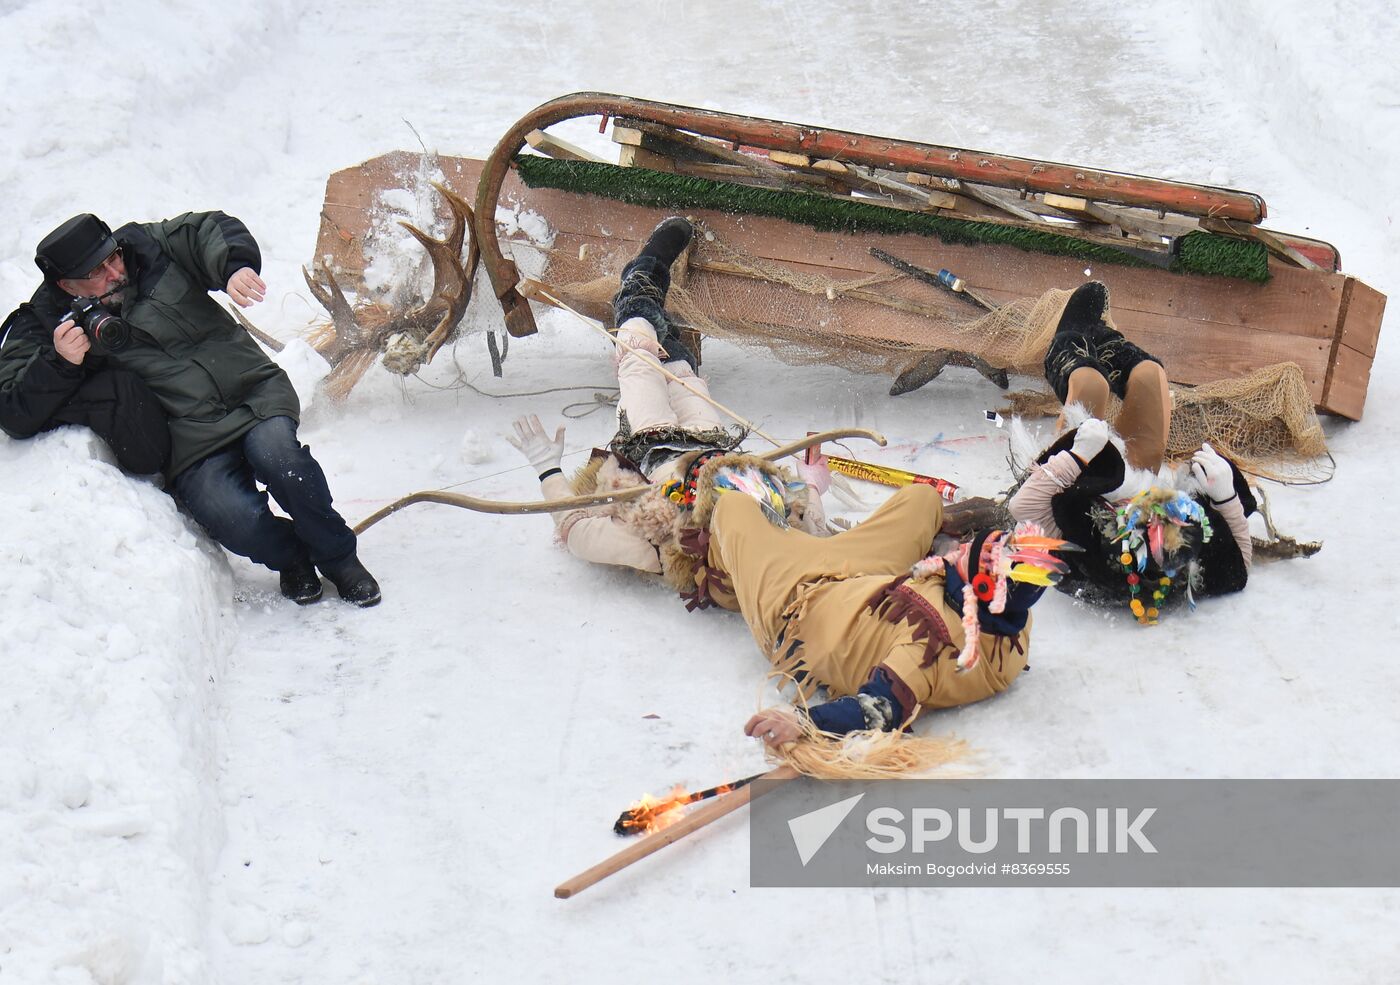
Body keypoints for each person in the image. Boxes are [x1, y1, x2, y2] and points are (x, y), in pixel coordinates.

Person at [0, 212, 379, 606]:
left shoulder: (146, 248)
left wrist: (232, 267)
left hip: (251, 389)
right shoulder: (46, 322)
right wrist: (60, 362)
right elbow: (11, 408)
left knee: (283, 461)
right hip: (189, 435)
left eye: (113, 257)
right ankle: (292, 557)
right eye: (97, 271)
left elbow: (208, 232)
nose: (115, 272)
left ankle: (340, 560)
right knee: (231, 516)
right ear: (65, 284)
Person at [507, 216, 828, 609]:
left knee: (639, 356)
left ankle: (641, 278)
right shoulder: (782, 532)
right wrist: (812, 484)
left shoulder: (662, 544)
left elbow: (579, 534)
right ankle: (651, 310)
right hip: (713, 445)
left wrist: (547, 470)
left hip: (654, 446)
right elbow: (813, 523)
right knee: (683, 372)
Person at [702, 476, 1068, 747]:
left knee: (732, 507)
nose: (970, 543)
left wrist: (802, 721)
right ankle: (801, 536)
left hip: (797, 601)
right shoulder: (1011, 621)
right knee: (922, 500)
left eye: (973, 550)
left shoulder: (929, 650)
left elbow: (878, 709)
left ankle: (724, 582)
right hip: (870, 576)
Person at [1007, 280, 1256, 624]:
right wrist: (1225, 495)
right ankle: (1105, 341)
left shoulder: (1093, 554)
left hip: (1069, 487)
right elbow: (1239, 566)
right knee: (1152, 378)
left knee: (1091, 387)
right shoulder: (1186, 555)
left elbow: (1023, 505)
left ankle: (1067, 349)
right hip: (1126, 489)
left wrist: (1077, 456)